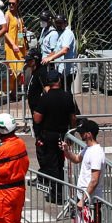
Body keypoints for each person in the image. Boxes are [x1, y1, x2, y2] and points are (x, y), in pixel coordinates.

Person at [28, 65, 80, 211]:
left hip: (48, 134)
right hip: (62, 134)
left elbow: (37, 118)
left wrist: (38, 134)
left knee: (51, 165)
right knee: (61, 164)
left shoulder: (45, 98)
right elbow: (73, 117)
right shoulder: (67, 96)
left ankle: (55, 193)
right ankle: (61, 192)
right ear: (59, 80)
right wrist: (71, 133)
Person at [72, 118, 110, 223]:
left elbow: (94, 180)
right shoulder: (87, 149)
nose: (80, 135)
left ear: (88, 134)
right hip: (83, 196)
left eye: (81, 132)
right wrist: (66, 151)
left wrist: (83, 199)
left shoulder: (96, 153)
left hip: (91, 200)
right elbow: (76, 159)